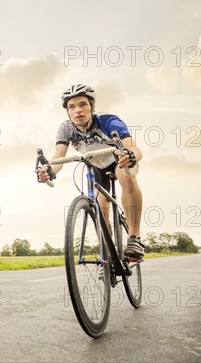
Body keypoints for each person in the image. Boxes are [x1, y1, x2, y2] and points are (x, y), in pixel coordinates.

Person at [37, 84, 145, 258]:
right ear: (68, 112)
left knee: (127, 177)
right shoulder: (66, 128)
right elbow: (59, 156)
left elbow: (134, 148)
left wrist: (130, 156)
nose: (77, 110)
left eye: (82, 105)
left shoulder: (108, 121)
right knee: (100, 207)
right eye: (72, 107)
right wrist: (49, 170)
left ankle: (134, 238)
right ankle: (109, 257)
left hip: (119, 160)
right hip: (97, 168)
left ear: (91, 107)